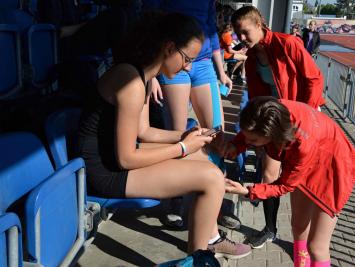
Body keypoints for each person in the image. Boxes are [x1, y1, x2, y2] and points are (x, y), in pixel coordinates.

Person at [78, 12, 251, 258]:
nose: (189, 67)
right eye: (187, 59)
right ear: (169, 48)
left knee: (206, 156)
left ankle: (207, 240)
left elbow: (144, 132)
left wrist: (188, 135)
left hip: (112, 156)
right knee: (211, 178)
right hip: (105, 171)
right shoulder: (131, 82)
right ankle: (199, 256)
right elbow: (126, 158)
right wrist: (182, 148)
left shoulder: (141, 75)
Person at [223, 97, 355, 267]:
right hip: (311, 157)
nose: (248, 144)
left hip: (334, 169)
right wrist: (236, 145)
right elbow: (251, 129)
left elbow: (285, 185)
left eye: (252, 142)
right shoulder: (270, 111)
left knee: (317, 247)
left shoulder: (302, 144)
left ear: (271, 134)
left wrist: (248, 191)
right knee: (298, 227)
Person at [228, 5, 325, 249]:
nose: (240, 38)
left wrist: (308, 114)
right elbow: (257, 100)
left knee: (298, 181)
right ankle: (270, 229)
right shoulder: (251, 59)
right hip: (273, 121)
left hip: (303, 119)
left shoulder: (288, 43)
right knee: (269, 174)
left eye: (245, 32)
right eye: (237, 33)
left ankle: (304, 239)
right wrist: (248, 139)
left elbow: (314, 79)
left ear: (259, 25)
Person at [144, 0, 234, 230]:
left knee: (217, 132)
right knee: (179, 132)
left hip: (202, 62)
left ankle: (217, 192)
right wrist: (152, 73)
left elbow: (212, 31)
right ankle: (176, 199)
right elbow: (151, 22)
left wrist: (221, 72)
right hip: (174, 58)